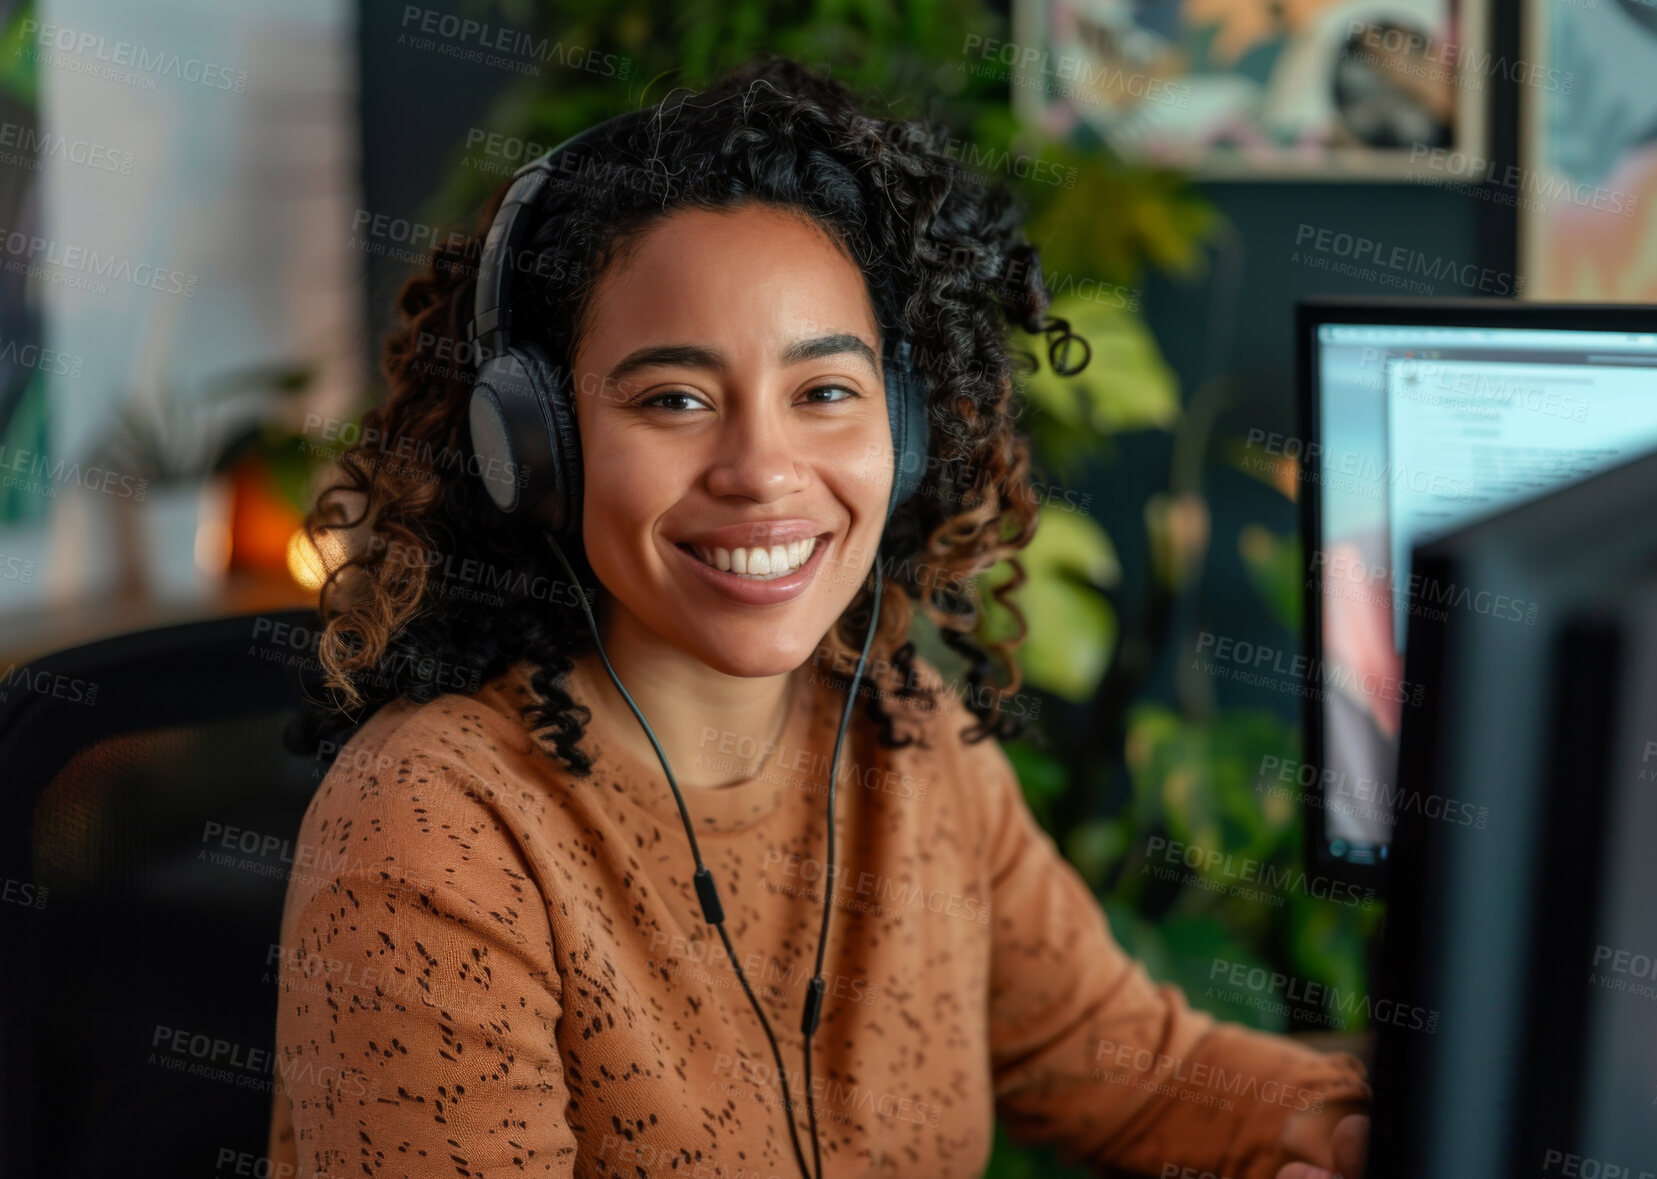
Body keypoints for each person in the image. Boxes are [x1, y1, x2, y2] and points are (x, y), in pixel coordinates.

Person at [266, 56, 1370, 1179]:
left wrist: (1393, 1119)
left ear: (904, 425)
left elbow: (1129, 1064)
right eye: (675, 400)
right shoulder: (434, 832)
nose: (762, 472)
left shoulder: (905, 737)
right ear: (535, 447)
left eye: (824, 393)